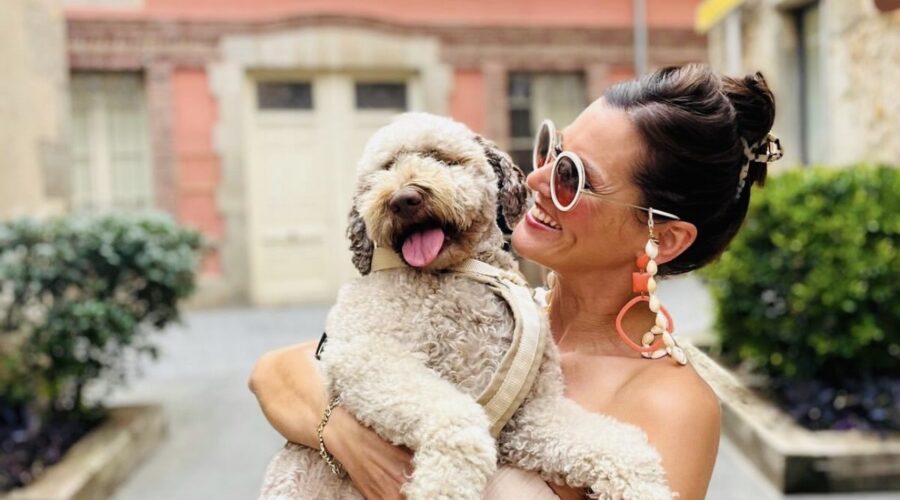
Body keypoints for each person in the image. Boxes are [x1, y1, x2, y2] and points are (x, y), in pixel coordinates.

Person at [249, 63, 781, 500]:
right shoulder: (503, 313)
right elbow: (276, 373)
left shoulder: (674, 405)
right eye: (551, 149)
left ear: (662, 238)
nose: (536, 178)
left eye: (573, 176)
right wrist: (346, 437)